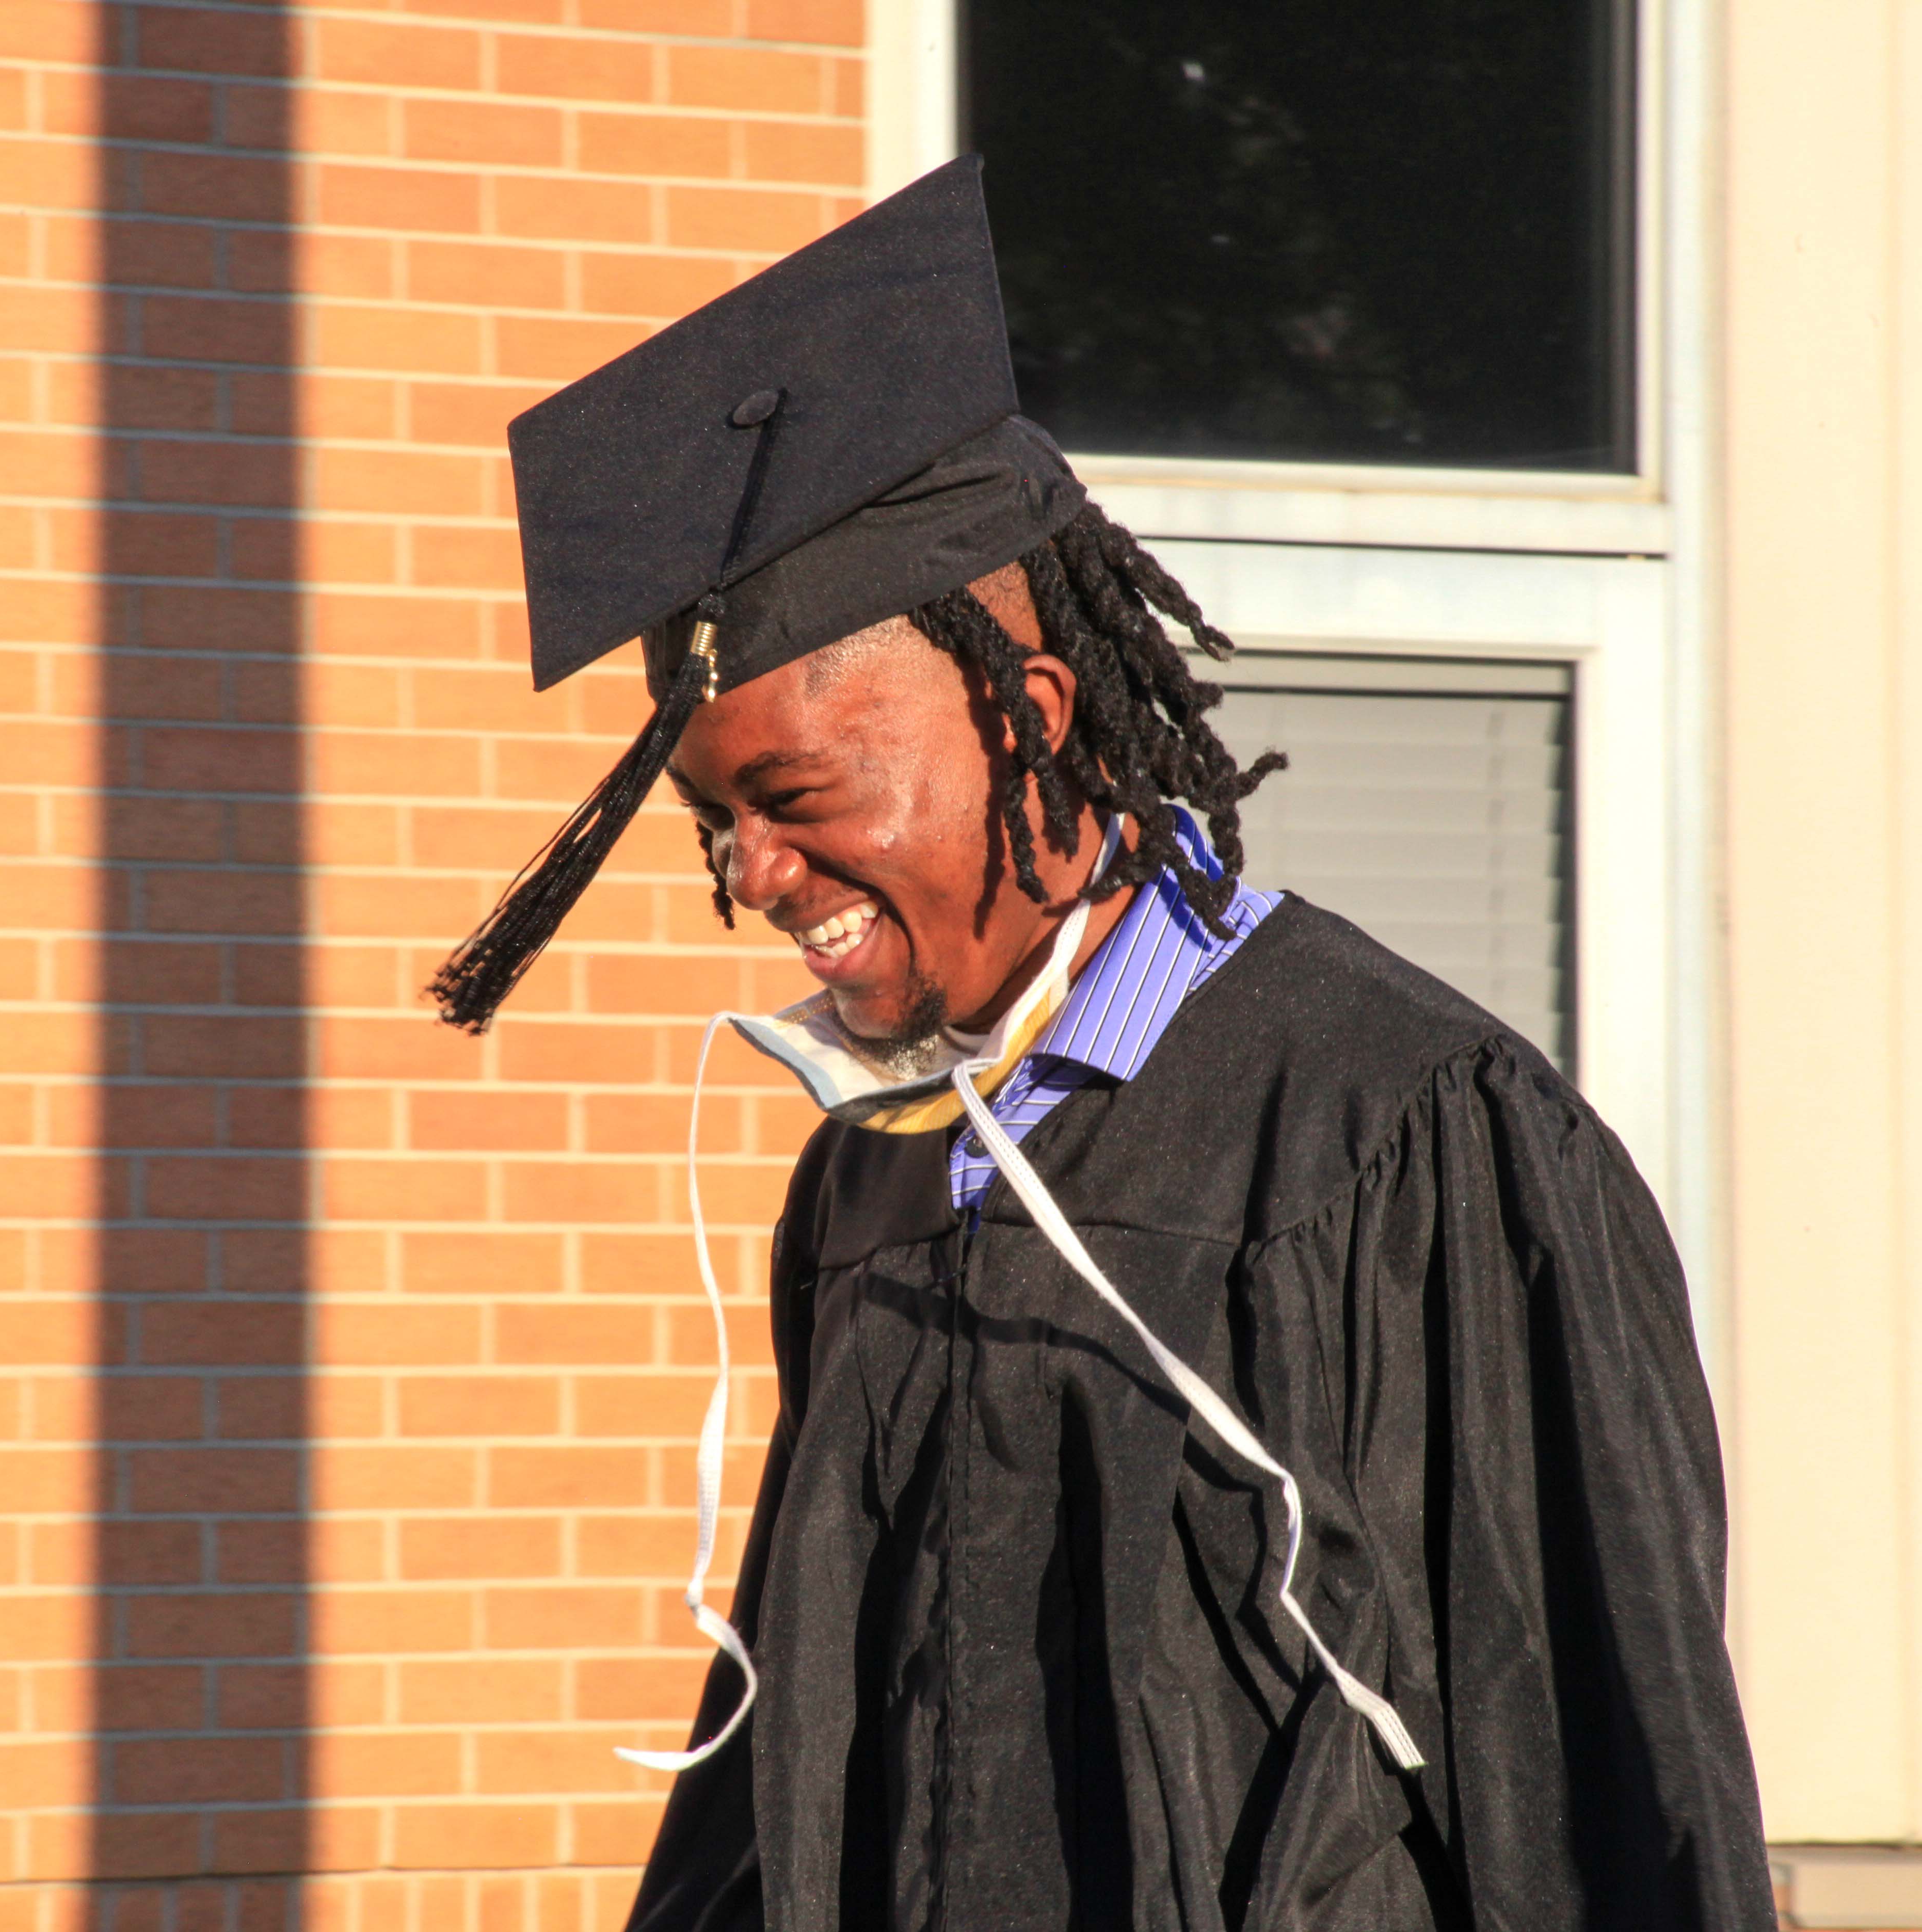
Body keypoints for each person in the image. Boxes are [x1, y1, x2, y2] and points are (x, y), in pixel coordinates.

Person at [434, 157, 1774, 1932]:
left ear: (1032, 722)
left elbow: (1604, 1794)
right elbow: (799, 1762)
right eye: (714, 819)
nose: (752, 875)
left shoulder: (1411, 1145)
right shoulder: (872, 1181)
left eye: (793, 797)